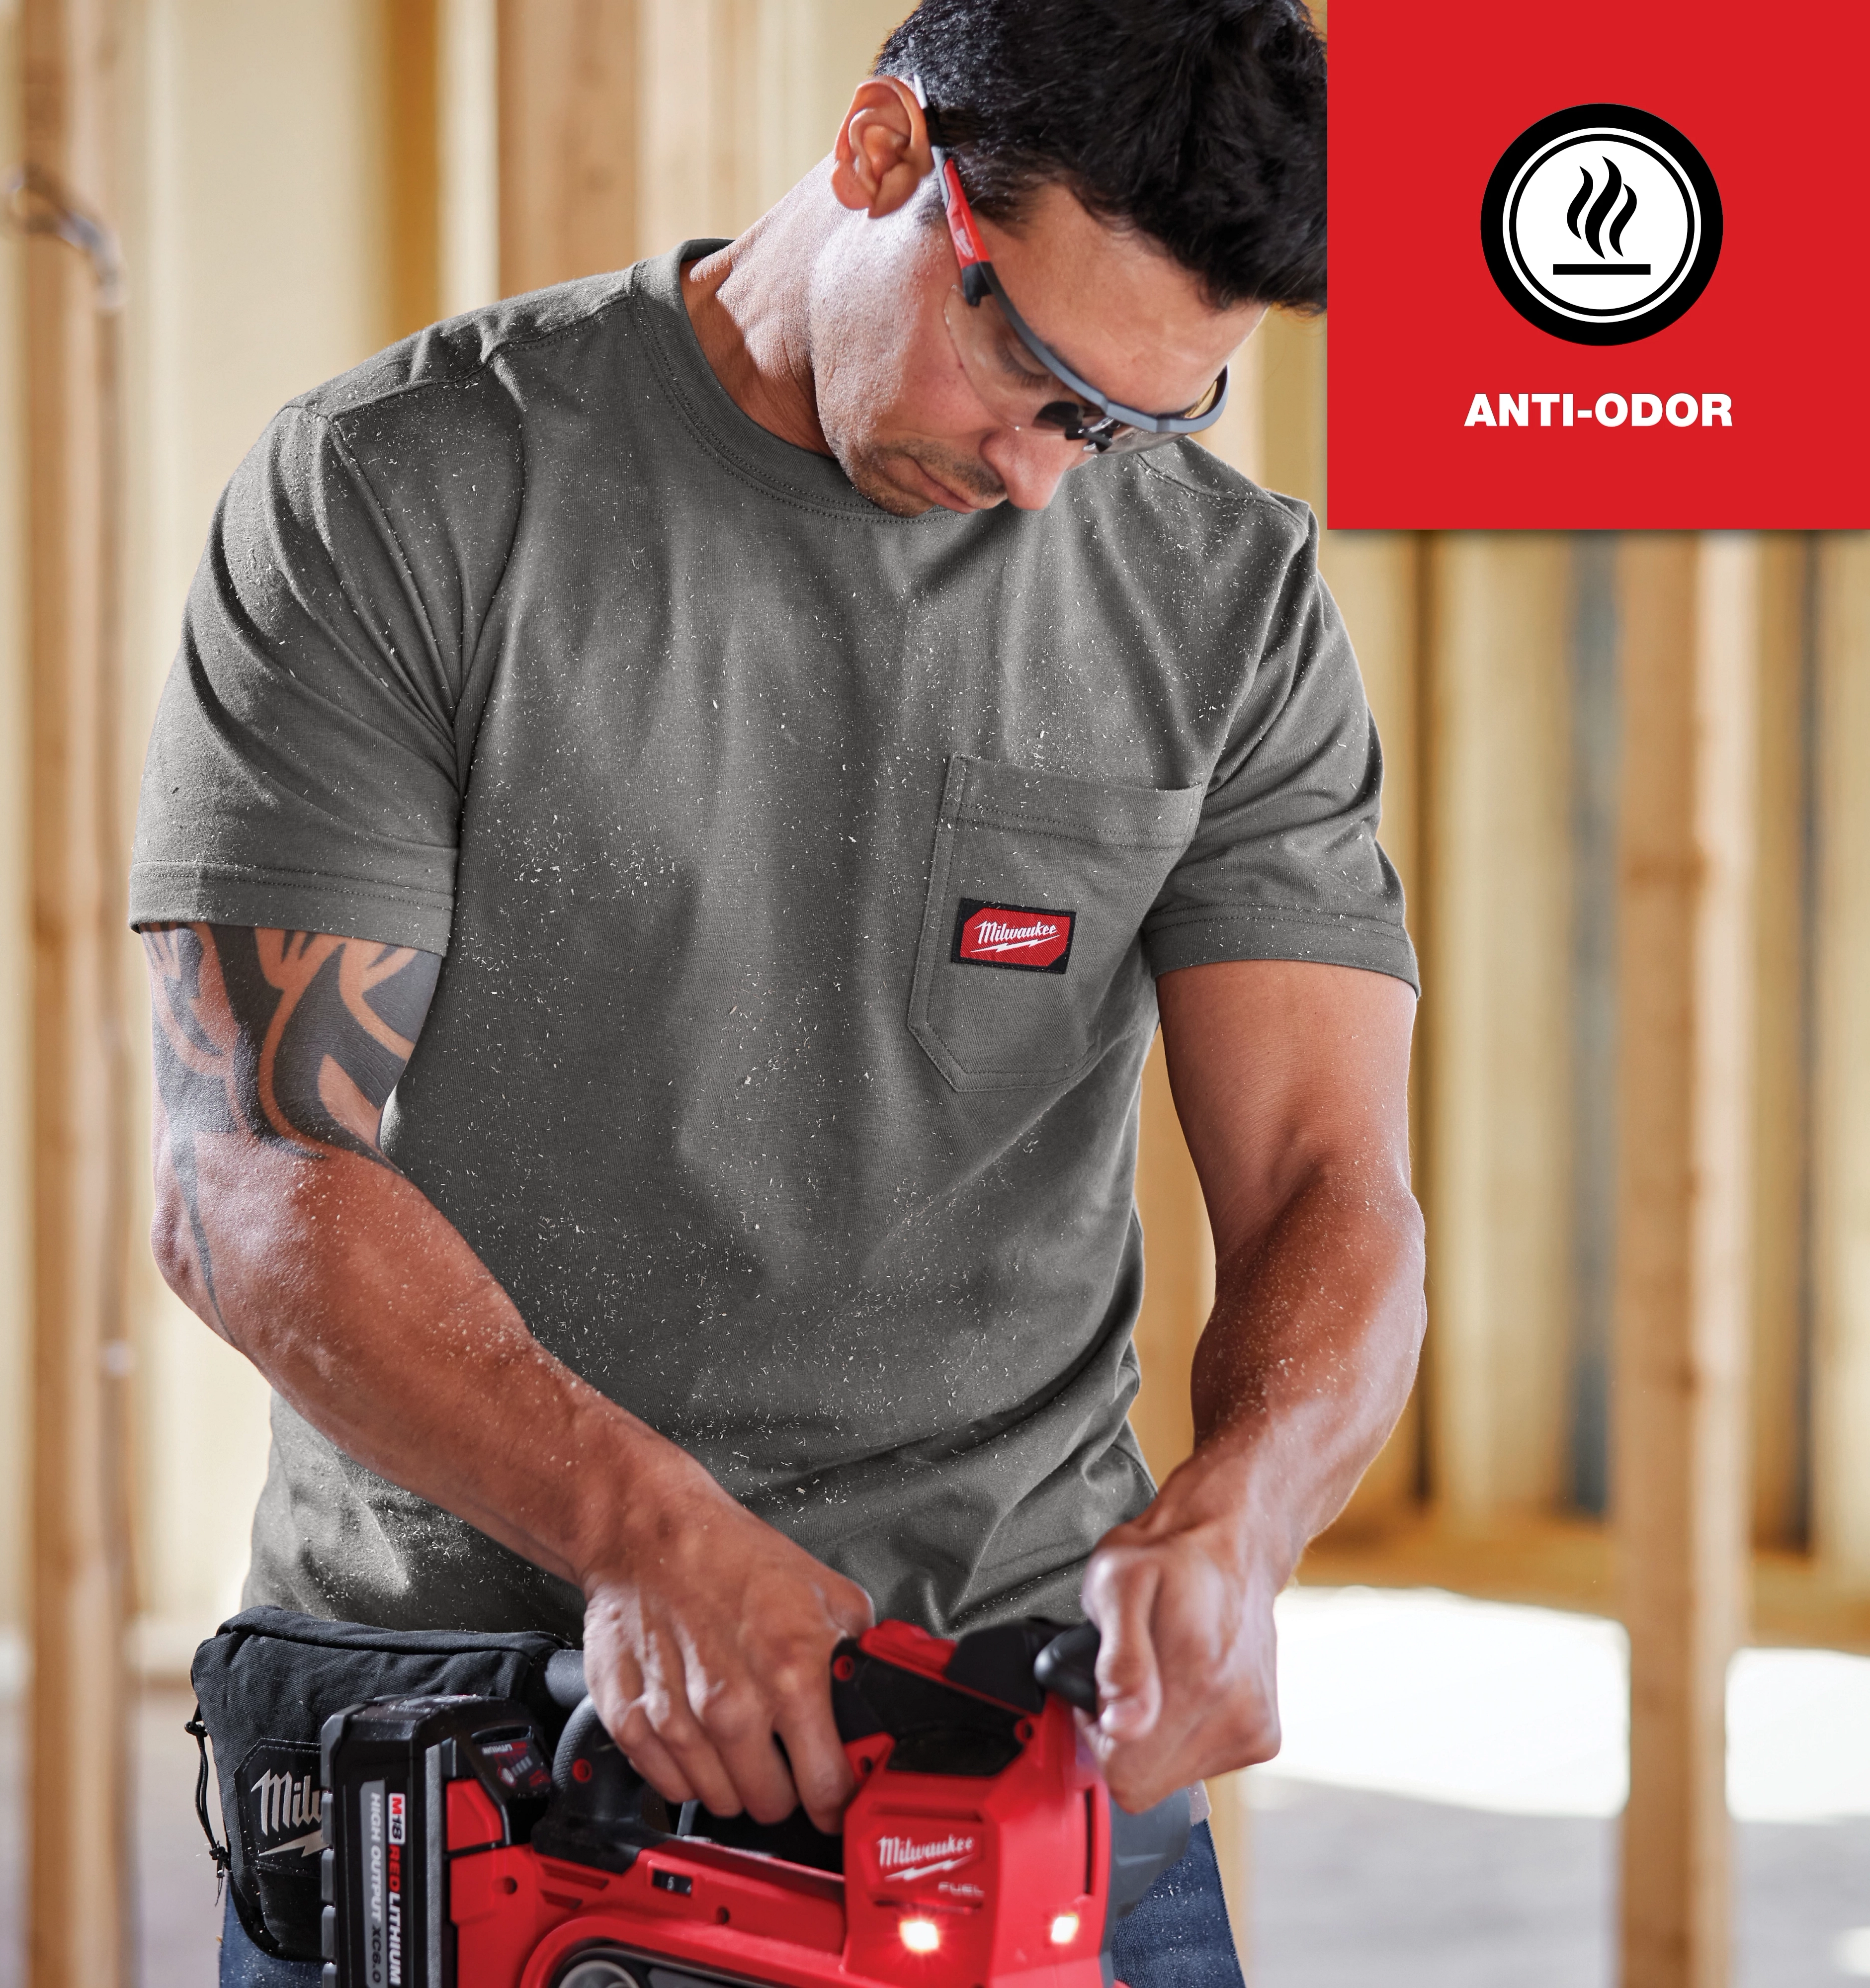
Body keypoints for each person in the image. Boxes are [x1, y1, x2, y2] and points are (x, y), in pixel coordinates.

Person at [132, 2, 1422, 1982]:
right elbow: (249, 1175)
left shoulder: (1221, 600)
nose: (1043, 478)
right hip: (471, 1739)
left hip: (1004, 1742)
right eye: (1030, 370)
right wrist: (641, 1529)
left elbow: (1336, 1179)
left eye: (1138, 423)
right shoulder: (402, 495)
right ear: (886, 154)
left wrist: (1246, 1515)